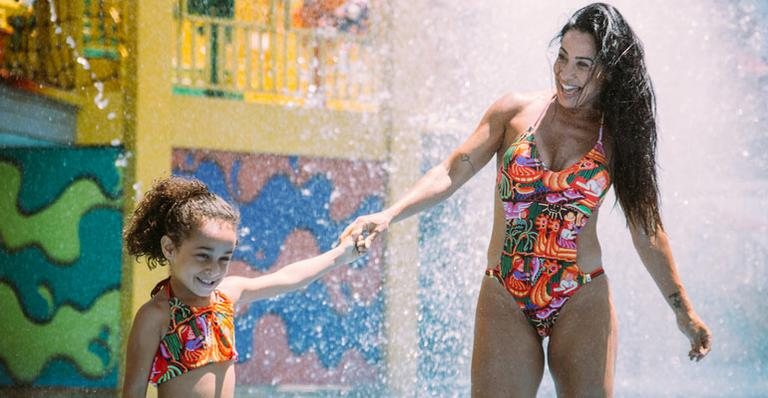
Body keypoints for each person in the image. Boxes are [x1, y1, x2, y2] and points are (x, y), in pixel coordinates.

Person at [340, 3, 712, 397]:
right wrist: (388, 215)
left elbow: (648, 231)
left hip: (579, 293)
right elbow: (451, 171)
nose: (566, 75)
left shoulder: (618, 138)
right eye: (563, 58)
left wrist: (683, 312)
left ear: (607, 70)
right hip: (506, 290)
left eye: (583, 65)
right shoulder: (513, 112)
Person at [121, 176, 364, 398]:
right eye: (203, 256)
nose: (214, 269)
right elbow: (134, 392)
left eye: (224, 258)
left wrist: (341, 254)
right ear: (170, 249)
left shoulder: (226, 296)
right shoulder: (156, 316)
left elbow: (289, 278)